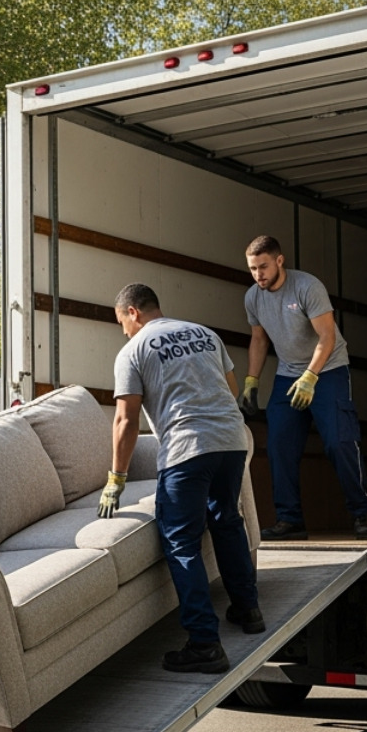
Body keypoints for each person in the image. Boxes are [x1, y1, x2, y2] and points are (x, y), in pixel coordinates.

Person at [100, 283, 262, 676]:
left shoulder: (133, 351)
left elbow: (125, 420)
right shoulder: (205, 333)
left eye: (122, 322)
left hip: (187, 450)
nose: (123, 330)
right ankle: (248, 609)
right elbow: (231, 389)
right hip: (231, 441)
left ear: (133, 312)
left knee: (180, 540)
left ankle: (205, 643)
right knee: (226, 520)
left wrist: (116, 478)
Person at [239, 235, 367, 541]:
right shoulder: (253, 297)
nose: (258, 274)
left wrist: (311, 376)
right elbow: (259, 339)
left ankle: (362, 513)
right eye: (252, 268)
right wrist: (252, 381)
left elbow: (327, 337)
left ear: (279, 261)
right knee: (279, 446)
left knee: (339, 442)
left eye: (263, 266)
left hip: (328, 370)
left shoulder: (306, 287)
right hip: (289, 375)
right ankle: (290, 520)